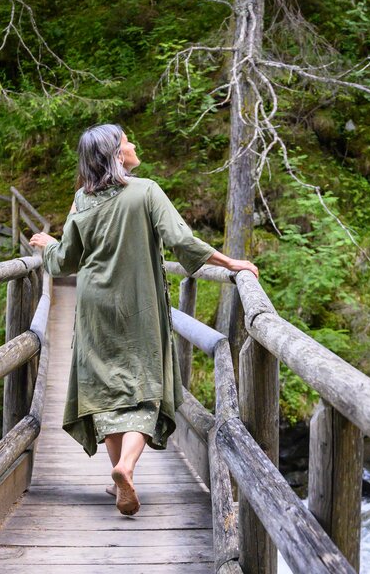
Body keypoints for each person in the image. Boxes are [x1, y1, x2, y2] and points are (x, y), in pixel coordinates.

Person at [29, 124, 258, 516]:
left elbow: (65, 261)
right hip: (139, 306)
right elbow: (182, 241)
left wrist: (47, 244)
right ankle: (127, 467)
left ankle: (118, 474)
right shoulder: (146, 191)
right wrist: (230, 262)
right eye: (126, 141)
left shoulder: (81, 201)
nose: (133, 144)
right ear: (117, 155)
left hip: (94, 308)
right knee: (144, 386)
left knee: (107, 389)